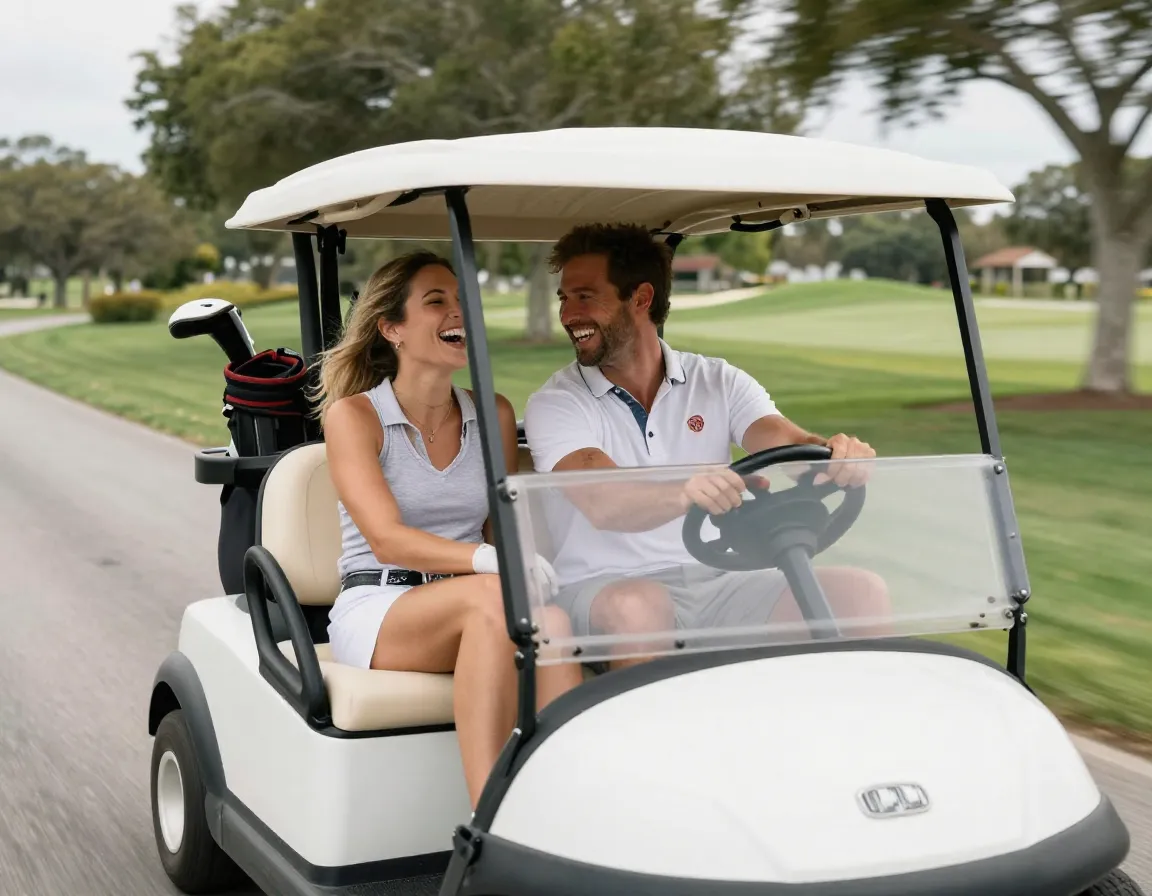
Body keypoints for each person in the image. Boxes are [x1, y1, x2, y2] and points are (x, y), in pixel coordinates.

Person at [522, 223, 890, 670]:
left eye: (584, 296)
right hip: (604, 587)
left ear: (640, 299)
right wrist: (685, 491)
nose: (567, 315)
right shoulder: (558, 402)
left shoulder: (717, 380)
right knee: (639, 608)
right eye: (564, 298)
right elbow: (604, 502)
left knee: (861, 592)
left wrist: (834, 455)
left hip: (717, 578)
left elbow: (784, 440)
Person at [313, 250, 583, 809]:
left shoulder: (495, 414)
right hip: (381, 604)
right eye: (436, 302)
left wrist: (523, 557)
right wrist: (486, 561)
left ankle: (563, 806)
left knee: (552, 619)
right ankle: (489, 818)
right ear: (393, 329)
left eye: (464, 300)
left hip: (472, 599)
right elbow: (385, 537)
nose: (459, 312)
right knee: (489, 600)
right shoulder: (354, 416)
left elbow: (500, 523)